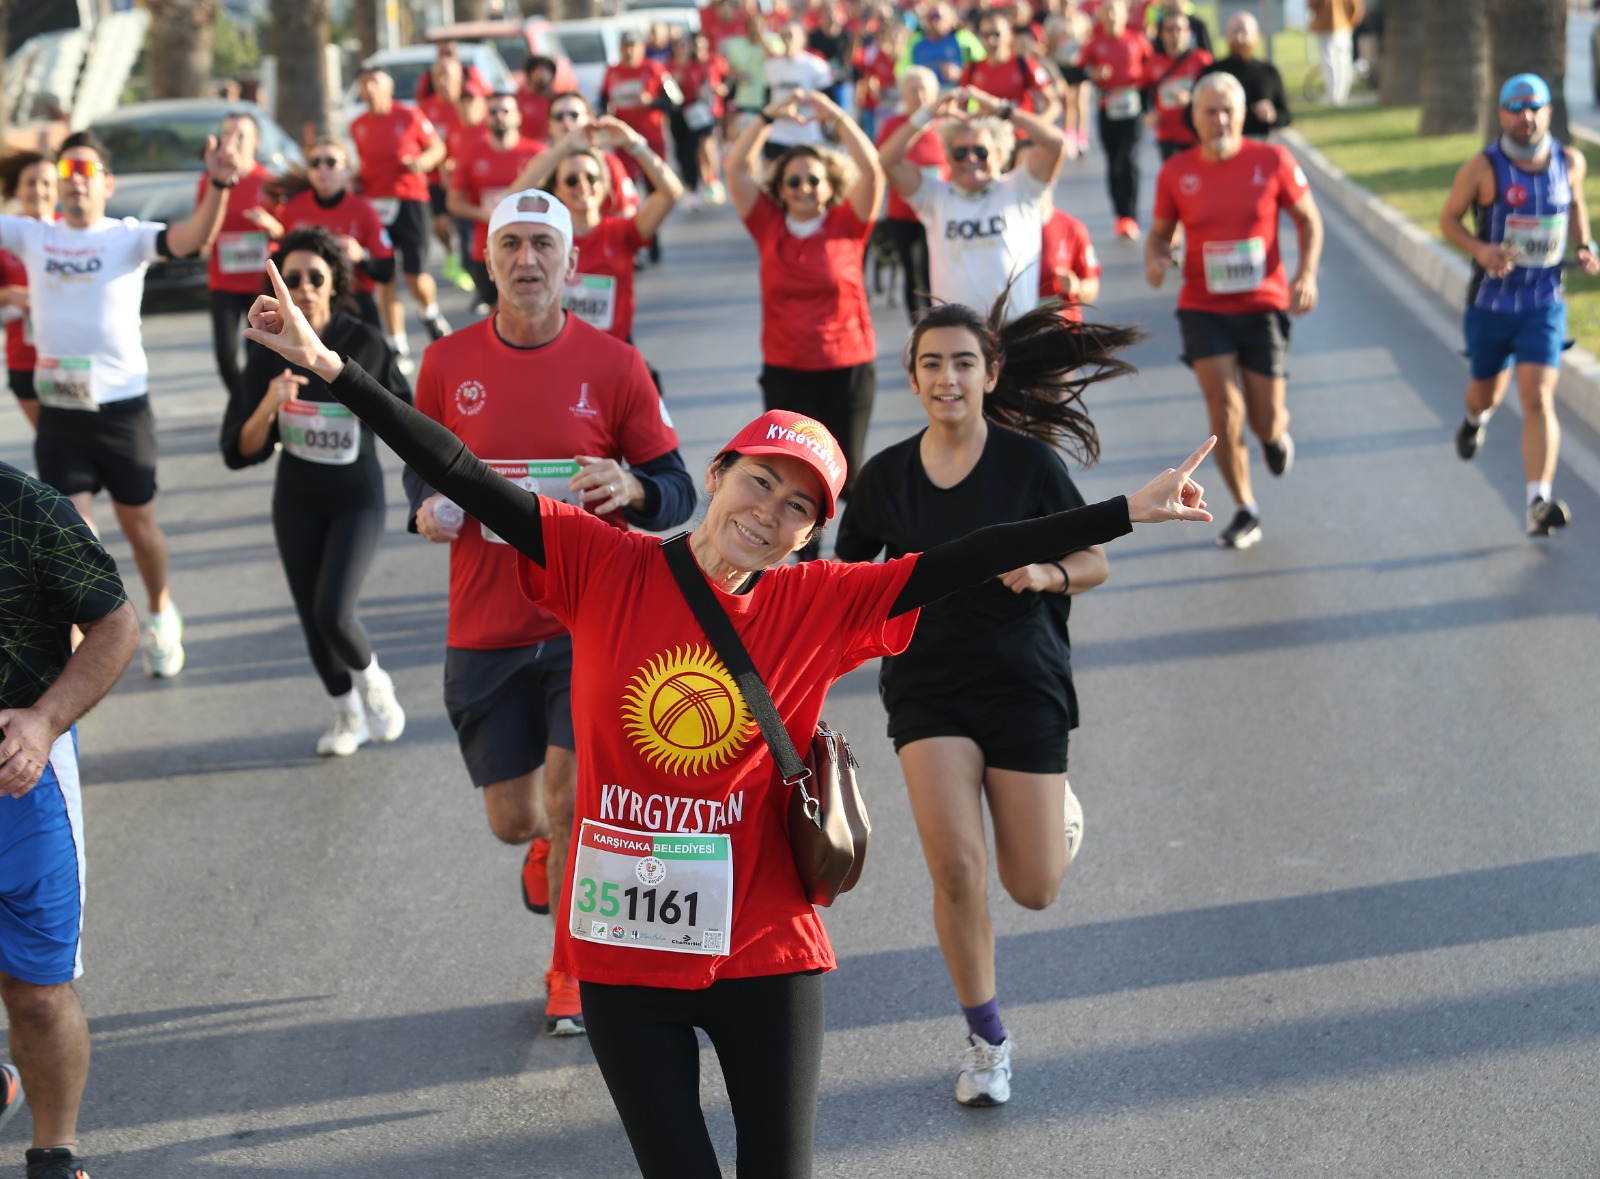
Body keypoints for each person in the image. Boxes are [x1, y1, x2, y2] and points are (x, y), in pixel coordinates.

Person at [242, 245, 1215, 1179]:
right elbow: (462, 470)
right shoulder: (599, 560)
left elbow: (971, 551)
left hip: (765, 947)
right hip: (622, 954)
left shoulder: (822, 601)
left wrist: (1125, 509)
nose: (771, 511)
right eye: (760, 481)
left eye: (800, 507)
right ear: (714, 475)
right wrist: (330, 367)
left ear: (812, 534)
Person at [397, 191, 696, 1037]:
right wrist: (426, 506)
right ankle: (541, 847)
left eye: (544, 247)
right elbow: (420, 470)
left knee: (573, 803)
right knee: (517, 816)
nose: (528, 261)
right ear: (487, 261)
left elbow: (679, 487)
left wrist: (633, 487)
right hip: (485, 624)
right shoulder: (448, 363)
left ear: (571, 264)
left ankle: (570, 972)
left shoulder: (616, 365)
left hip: (586, 621)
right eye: (512, 246)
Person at [836, 296, 1134, 1106]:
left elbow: (1094, 560)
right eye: (931, 363)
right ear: (912, 377)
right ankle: (986, 1039)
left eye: (963, 362)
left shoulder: (1029, 466)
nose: (947, 377)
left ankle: (1053, 814)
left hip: (1022, 680)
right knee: (957, 869)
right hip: (928, 689)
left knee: (1032, 884)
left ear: (991, 373)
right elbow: (848, 577)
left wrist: (1048, 573)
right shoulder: (886, 477)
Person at [0, 129, 248, 675]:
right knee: (72, 532)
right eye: (67, 173)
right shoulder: (35, 236)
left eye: (86, 173)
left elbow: (191, 239)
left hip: (122, 411)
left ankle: (160, 609)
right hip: (62, 413)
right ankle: (72, 653)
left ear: (107, 184)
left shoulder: (128, 237)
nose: (74, 184)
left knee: (140, 530)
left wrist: (221, 183)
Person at [219, 226, 412, 755]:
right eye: (294, 278)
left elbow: (405, 415)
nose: (303, 287)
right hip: (297, 498)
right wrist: (269, 404)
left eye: (315, 277)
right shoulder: (265, 349)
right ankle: (346, 713)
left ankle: (373, 680)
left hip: (356, 496)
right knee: (310, 618)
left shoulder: (362, 341)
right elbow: (238, 449)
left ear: (334, 285)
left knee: (333, 610)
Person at [0, 460, 140, 1179]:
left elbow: (115, 623)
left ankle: (54, 1152)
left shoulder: (27, 507)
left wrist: (44, 720)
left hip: (19, 778)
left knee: (35, 988)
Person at [1145, 71, 1322, 549]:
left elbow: (1308, 220)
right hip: (1203, 306)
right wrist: (1159, 258)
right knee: (1224, 409)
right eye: (1210, 111)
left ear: (1242, 115)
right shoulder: (1176, 172)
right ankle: (1246, 507)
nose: (1220, 119)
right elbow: (1159, 235)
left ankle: (1274, 437)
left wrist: (1306, 274)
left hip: (1263, 304)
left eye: (1228, 110)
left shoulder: (1273, 159)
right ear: (1195, 120)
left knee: (1265, 418)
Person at [1439, 73, 1599, 537]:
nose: (1525, 116)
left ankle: (1537, 501)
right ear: (1500, 113)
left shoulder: (1570, 162)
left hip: (1543, 302)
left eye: (1534, 107)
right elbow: (1448, 219)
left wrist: (1586, 244)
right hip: (1490, 305)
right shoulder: (1482, 168)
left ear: (1549, 111)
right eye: (1515, 107)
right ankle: (1473, 420)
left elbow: (1575, 207)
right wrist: (1481, 250)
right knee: (1485, 393)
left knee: (1537, 396)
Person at [727, 87, 884, 556]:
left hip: (847, 368)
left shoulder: (848, 224)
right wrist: (768, 115)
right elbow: (736, 167)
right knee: (794, 475)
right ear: (781, 189)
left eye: (813, 181)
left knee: (846, 474)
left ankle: (853, 565)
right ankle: (803, 563)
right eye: (793, 182)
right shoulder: (767, 226)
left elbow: (872, 169)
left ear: (829, 186)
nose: (803, 190)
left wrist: (834, 114)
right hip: (787, 370)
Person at [880, 84, 1067, 321]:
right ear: (948, 158)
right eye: (960, 152)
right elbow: (887, 161)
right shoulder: (934, 196)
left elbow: (1056, 144)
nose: (970, 158)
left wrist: (1002, 109)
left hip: (1014, 332)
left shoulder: (1020, 188)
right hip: (958, 337)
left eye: (981, 151)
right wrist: (928, 113)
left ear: (999, 155)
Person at [517, 115, 683, 343]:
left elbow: (670, 193)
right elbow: (513, 199)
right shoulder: (542, 239)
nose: (583, 186)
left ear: (604, 185)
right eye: (572, 180)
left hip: (614, 354)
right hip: (559, 354)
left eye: (592, 178)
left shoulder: (622, 233)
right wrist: (564, 147)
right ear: (556, 189)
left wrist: (633, 142)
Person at [349, 66, 451, 374]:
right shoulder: (357, 125)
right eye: (364, 84)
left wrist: (421, 162)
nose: (370, 90)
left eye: (375, 83)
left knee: (415, 276)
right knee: (385, 277)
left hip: (409, 201)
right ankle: (397, 345)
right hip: (375, 205)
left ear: (389, 88)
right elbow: (358, 162)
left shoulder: (410, 116)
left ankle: (429, 312)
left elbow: (438, 148)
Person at [258, 138, 396, 328]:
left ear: (347, 170)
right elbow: (279, 261)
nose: (322, 168)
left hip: (354, 300)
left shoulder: (364, 211)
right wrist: (276, 235)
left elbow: (386, 271)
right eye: (315, 163)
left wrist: (361, 256)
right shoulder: (292, 208)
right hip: (307, 303)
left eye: (330, 163)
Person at [192, 112, 274, 403]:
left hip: (259, 286)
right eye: (228, 134)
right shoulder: (209, 182)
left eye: (241, 135)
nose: (233, 142)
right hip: (223, 282)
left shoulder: (269, 182)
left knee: (259, 354)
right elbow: (200, 229)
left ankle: (256, 407)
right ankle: (244, 404)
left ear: (256, 141)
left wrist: (271, 226)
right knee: (226, 355)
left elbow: (287, 232)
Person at [446, 92, 547, 314]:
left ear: (518, 117)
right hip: (488, 247)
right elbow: (454, 201)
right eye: (493, 112)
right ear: (486, 117)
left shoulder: (537, 154)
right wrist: (481, 213)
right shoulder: (471, 154)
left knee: (534, 311)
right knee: (498, 314)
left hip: (533, 245)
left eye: (505, 111)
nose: (499, 116)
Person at [875, 67, 946, 323]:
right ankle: (918, 328)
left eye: (923, 89)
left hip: (941, 211)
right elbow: (882, 162)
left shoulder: (946, 125)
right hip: (904, 212)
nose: (918, 95)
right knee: (913, 272)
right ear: (903, 94)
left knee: (936, 271)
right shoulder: (893, 125)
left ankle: (941, 321)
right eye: (912, 89)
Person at [1082, 0, 1153, 240]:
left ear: (1124, 14)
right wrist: (1092, 74)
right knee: (1113, 162)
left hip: (1132, 107)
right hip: (1107, 107)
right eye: (1107, 10)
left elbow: (1153, 69)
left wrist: (1149, 102)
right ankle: (1120, 216)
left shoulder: (1137, 40)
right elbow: (1077, 70)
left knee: (1128, 158)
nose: (1112, 15)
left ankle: (1131, 216)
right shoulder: (1095, 44)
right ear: (1101, 15)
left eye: (1116, 10)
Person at [514, 92, 641, 221]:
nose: (566, 121)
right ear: (549, 126)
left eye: (574, 115)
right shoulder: (541, 164)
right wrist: (565, 147)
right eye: (558, 117)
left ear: (590, 120)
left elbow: (626, 215)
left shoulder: (609, 163)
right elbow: (513, 199)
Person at [0, 150, 56, 431]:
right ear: (17, 189)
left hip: (71, 358)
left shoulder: (74, 231)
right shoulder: (5, 233)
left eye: (47, 182)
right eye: (31, 182)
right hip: (24, 356)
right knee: (51, 442)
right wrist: (9, 295)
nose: (39, 190)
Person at [1195, 12, 1289, 141]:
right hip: (1220, 145)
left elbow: (1286, 116)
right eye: (1234, 31)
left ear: (1256, 36)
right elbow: (1192, 114)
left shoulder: (1268, 72)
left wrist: (1273, 116)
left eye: (1244, 32)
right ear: (1226, 36)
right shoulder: (1212, 72)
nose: (1239, 37)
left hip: (1259, 144)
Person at [962, 12, 1058, 127]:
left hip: (1019, 137)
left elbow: (1054, 105)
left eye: (996, 34)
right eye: (985, 34)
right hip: (986, 137)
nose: (991, 40)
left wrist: (1036, 127)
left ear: (1009, 35)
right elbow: (962, 105)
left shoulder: (1025, 64)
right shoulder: (973, 68)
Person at [668, 34, 730, 208]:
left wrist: (714, 91)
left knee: (703, 147)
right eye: (678, 45)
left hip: (699, 112)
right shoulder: (668, 67)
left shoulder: (700, 65)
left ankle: (713, 181)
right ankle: (694, 187)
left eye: (685, 45)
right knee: (686, 153)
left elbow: (714, 84)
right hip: (678, 114)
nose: (682, 49)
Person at [762, 22, 836, 163]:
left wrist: (808, 109)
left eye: (791, 35)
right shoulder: (770, 66)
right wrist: (777, 112)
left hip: (806, 134)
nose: (787, 39)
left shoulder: (816, 65)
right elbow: (766, 99)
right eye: (783, 35)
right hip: (778, 134)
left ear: (803, 39)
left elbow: (830, 102)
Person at [1147, 8, 1212, 161]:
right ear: (1162, 34)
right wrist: (1147, 114)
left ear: (1189, 32)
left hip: (1196, 132)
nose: (1175, 33)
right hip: (1167, 135)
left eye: (1179, 29)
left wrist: (1192, 98)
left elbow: (1213, 90)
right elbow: (1143, 90)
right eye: (1170, 29)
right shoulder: (1153, 63)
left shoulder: (1202, 60)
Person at [1045, 4, 1095, 158]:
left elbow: (1090, 40)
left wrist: (1081, 40)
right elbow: (1046, 46)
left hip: (1080, 64)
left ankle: (1082, 138)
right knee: (1068, 102)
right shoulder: (1052, 21)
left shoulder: (1082, 19)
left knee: (1081, 101)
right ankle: (1069, 137)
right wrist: (1058, 38)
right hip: (1061, 64)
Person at [1039, 204, 1100, 318]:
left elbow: (1093, 285)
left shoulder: (1072, 227)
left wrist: (1077, 287)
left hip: (1063, 329)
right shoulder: (1003, 230)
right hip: (1018, 330)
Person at [1307, 0, 1364, 107]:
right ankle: (1340, 95)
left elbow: (1313, 4)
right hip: (1344, 26)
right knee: (1343, 61)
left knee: (1330, 62)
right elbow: (1356, 8)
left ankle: (1333, 95)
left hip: (1327, 27)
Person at [518, 55, 559, 142]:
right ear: (529, 75)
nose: (542, 75)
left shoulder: (558, 100)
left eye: (546, 71)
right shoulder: (518, 99)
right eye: (537, 71)